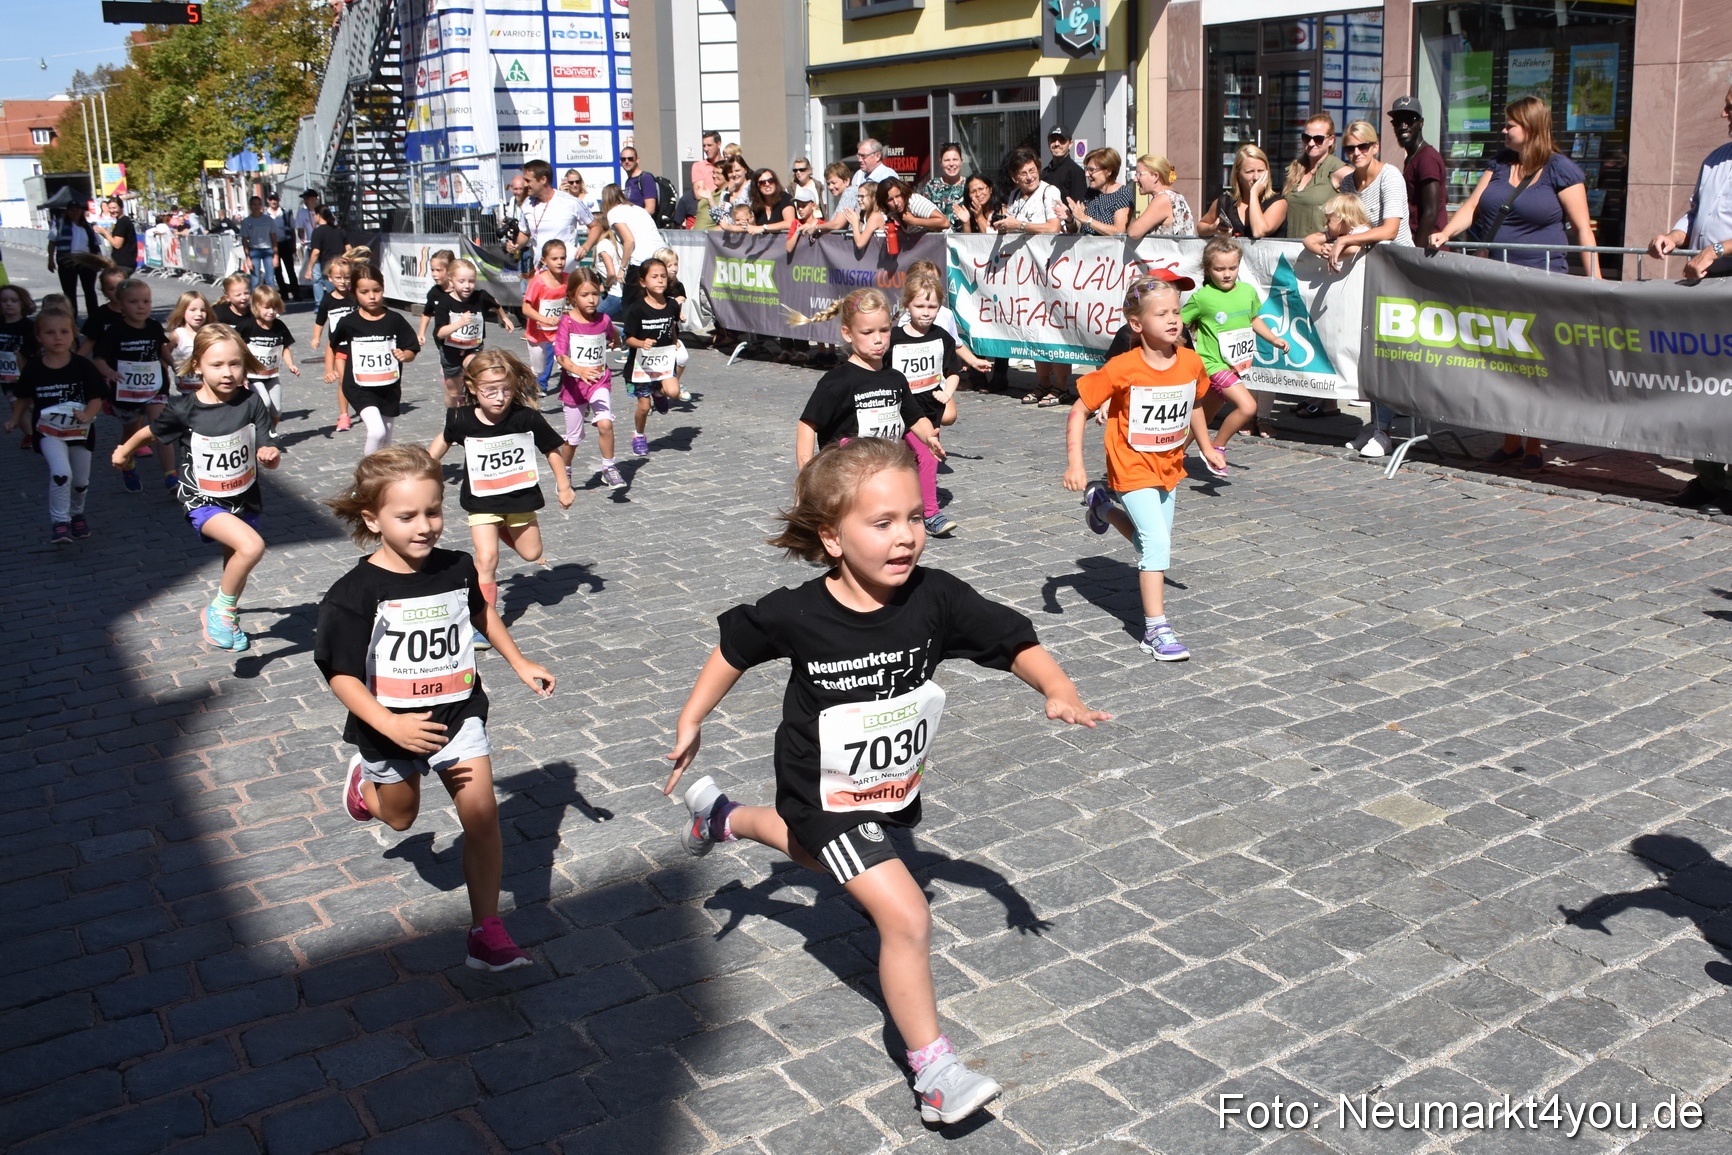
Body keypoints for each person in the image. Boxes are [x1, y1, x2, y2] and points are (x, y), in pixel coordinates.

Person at [663, 437, 1107, 1126]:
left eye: (915, 518)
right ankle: (936, 1072)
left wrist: (1056, 687)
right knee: (904, 913)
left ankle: (721, 816)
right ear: (832, 538)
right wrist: (692, 718)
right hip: (819, 787)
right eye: (883, 523)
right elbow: (735, 648)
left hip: (885, 785)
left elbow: (1010, 637)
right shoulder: (797, 612)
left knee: (816, 858)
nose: (906, 536)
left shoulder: (935, 597)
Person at [317, 445, 554, 972]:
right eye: (407, 516)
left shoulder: (457, 567)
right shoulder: (354, 593)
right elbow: (340, 673)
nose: (424, 526)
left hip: (458, 713)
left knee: (483, 816)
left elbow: (480, 614)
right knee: (401, 818)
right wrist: (388, 724)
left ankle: (486, 931)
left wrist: (519, 661)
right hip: (388, 726)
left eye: (433, 511)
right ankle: (364, 788)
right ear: (372, 520)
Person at [1428, 96, 1599, 469]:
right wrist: (1447, 233)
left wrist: (1596, 280)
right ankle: (1509, 441)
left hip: (1541, 280)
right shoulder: (1500, 163)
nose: (1503, 130)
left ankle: (1533, 443)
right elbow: (1472, 208)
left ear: (1531, 128)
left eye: (1510, 125)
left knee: (1533, 362)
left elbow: (1583, 228)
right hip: (1497, 279)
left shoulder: (1560, 169)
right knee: (1502, 361)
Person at [1065, 276, 1222, 660]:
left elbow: (1196, 404)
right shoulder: (1122, 367)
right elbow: (1079, 409)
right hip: (1130, 465)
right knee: (1156, 544)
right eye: (1162, 313)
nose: (1173, 319)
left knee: (1146, 541)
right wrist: (1075, 464)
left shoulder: (1191, 361)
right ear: (1136, 324)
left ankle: (1101, 507)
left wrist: (1206, 447)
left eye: (1176, 312)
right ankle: (1155, 630)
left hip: (1169, 466)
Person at [113, 324, 280, 649]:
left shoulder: (252, 402)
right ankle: (221, 610)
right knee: (252, 547)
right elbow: (151, 432)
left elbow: (267, 445)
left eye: (235, 363)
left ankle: (225, 617)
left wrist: (270, 456)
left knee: (236, 562)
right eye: (217, 364)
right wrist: (124, 450)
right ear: (197, 365)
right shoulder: (184, 409)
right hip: (201, 499)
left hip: (244, 496)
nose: (228, 372)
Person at [428, 349, 573, 625]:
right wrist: (423, 469)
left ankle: (503, 527)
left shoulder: (525, 417)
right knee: (486, 559)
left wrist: (563, 486)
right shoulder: (461, 418)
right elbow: (441, 443)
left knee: (532, 553)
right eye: (490, 390)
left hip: (520, 499)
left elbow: (552, 450)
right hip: (482, 501)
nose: (500, 397)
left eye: (506, 389)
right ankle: (485, 622)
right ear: (472, 387)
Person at [1301, 120, 1414, 455]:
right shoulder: (1349, 181)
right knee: (1367, 351)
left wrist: (1345, 241)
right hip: (1366, 274)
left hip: (1396, 273)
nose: (1356, 152)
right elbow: (1343, 223)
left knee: (1385, 353)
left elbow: (1389, 229)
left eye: (1363, 146)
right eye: (1350, 148)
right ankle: (1376, 424)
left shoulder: (1390, 176)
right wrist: (1321, 242)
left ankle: (1384, 430)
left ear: (1375, 147)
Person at [793, 288, 948, 527]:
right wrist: (807, 473)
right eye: (867, 332)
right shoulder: (837, 382)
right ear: (848, 333)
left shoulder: (895, 378)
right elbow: (807, 425)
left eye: (884, 330)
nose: (878, 339)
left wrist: (929, 436)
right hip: (849, 478)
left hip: (887, 472)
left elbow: (915, 418)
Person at [1649, 80, 1732, 511]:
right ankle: (1709, 477)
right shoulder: (1715, 159)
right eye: (1726, 106)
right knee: (1704, 383)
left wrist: (1717, 249)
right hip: (1707, 287)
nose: (1724, 114)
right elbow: (1696, 211)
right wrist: (1674, 235)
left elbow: (1718, 238)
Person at [1183, 237, 1289, 468]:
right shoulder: (1203, 297)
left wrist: (1273, 339)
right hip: (1212, 364)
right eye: (1219, 269)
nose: (1227, 274)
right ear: (1208, 269)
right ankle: (1217, 448)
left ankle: (1173, 456)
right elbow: (1179, 324)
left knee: (1205, 417)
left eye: (1232, 268)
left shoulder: (1247, 292)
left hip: (1235, 365)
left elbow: (1253, 319)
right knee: (1248, 406)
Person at [4, 307, 106, 544]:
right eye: (50, 333)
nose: (57, 337)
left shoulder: (82, 366)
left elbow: (96, 397)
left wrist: (87, 414)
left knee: (80, 482)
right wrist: (14, 418)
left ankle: (77, 514)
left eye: (64, 331)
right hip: (48, 432)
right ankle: (60, 521)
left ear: (73, 334)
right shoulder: (33, 368)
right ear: (39, 337)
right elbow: (23, 397)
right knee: (61, 473)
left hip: (80, 432)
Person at [888, 273, 963, 535]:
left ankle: (924, 513)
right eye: (920, 305)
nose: (926, 312)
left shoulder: (942, 337)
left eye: (932, 306)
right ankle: (923, 510)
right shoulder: (893, 338)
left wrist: (947, 393)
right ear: (907, 305)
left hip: (929, 411)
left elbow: (953, 372)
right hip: (898, 411)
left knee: (925, 458)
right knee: (910, 459)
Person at [996, 149, 1068, 406]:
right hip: (1025, 273)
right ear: (1014, 178)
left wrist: (1019, 225)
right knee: (1034, 326)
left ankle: (1061, 385)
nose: (1029, 177)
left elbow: (1053, 227)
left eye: (1032, 170)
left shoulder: (1049, 192)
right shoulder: (1015, 196)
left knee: (1054, 327)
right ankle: (1043, 382)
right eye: (1022, 173)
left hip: (1049, 269)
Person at [92, 277, 177, 492]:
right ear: (121, 305)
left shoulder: (154, 326)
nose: (141, 306)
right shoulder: (115, 331)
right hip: (127, 391)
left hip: (155, 387)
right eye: (134, 302)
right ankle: (127, 461)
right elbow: (99, 359)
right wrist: (109, 372)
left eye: (146, 301)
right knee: (131, 433)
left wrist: (175, 365)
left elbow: (161, 349)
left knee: (161, 428)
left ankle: (171, 475)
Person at [329, 262, 421, 455]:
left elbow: (412, 348)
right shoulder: (349, 322)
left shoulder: (395, 320)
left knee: (386, 440)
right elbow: (333, 345)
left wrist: (405, 355)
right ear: (354, 292)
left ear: (383, 289)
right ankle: (366, 471)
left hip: (388, 386)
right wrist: (330, 369)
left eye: (376, 290)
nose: (372, 296)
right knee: (377, 432)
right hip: (359, 386)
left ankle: (381, 472)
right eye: (364, 292)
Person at [552, 267, 625, 490]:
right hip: (574, 386)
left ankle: (609, 468)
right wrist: (579, 370)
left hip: (599, 380)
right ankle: (565, 469)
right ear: (572, 296)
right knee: (573, 438)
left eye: (595, 293)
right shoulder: (567, 322)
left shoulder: (603, 319)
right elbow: (561, 355)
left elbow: (613, 332)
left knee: (605, 422)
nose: (591, 300)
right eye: (584, 295)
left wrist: (616, 341)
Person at [621, 257, 686, 455]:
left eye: (663, 276)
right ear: (643, 282)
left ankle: (658, 392)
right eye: (654, 276)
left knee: (673, 392)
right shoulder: (637, 309)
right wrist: (641, 343)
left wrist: (674, 340)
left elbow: (672, 325)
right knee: (644, 406)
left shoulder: (672, 305)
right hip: (641, 366)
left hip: (664, 362)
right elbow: (628, 338)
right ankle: (639, 435)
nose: (660, 280)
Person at [433, 259, 516, 411]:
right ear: (451, 280)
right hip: (451, 352)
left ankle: (476, 407)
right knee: (453, 392)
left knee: (477, 374)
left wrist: (504, 318)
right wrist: (459, 323)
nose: (467, 286)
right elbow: (439, 333)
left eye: (471, 281)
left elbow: (495, 304)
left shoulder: (480, 296)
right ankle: (452, 415)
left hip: (473, 348)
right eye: (461, 281)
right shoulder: (445, 302)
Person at [1279, 115, 1350, 252]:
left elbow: (1358, 211)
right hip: (1291, 251)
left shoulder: (1339, 170)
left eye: (1318, 139)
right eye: (1306, 138)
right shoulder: (1294, 169)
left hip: (1320, 252)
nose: (1311, 143)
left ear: (1331, 140)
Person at [236, 286, 299, 430]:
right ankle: (256, 430)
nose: (271, 311)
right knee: (265, 402)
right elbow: (235, 346)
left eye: (274, 308)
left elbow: (285, 347)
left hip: (271, 375)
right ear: (256, 307)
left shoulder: (279, 326)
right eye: (266, 308)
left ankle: (270, 433)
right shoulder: (247, 326)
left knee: (277, 410)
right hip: (253, 375)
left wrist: (291, 365)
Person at [516, 160, 596, 269]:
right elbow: (525, 233)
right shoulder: (527, 203)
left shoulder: (570, 202)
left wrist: (586, 247)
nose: (525, 185)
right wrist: (516, 245)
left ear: (543, 179)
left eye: (528, 181)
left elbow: (596, 226)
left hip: (568, 272)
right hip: (541, 271)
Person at [314, 249, 362, 431]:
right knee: (343, 381)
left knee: (360, 380)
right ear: (330, 278)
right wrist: (316, 338)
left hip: (358, 346)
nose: (343, 282)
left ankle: (366, 407)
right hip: (339, 348)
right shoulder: (328, 300)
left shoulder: (355, 297)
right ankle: (344, 415)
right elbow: (320, 321)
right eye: (338, 278)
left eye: (347, 278)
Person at [1388, 96, 1445, 244]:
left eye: (1409, 120)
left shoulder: (1427, 159)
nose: (1403, 126)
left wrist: (1416, 252)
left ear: (1421, 122)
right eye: (1397, 121)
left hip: (1427, 248)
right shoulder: (1413, 157)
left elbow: (1431, 212)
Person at [1198, 145, 1284, 239]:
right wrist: (1213, 229)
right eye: (1250, 171)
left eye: (1260, 171)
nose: (1256, 177)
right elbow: (1201, 226)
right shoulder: (1225, 202)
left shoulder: (1278, 203)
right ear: (1238, 174)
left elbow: (1258, 232)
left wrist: (1254, 193)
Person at [602, 183, 667, 306]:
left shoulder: (614, 213)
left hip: (641, 260)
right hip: (662, 254)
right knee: (656, 300)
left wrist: (622, 268)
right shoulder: (638, 209)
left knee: (629, 303)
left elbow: (629, 240)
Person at [521, 239, 570, 397]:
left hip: (558, 331)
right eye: (554, 259)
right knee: (539, 370)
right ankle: (524, 383)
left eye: (562, 258)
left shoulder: (567, 278)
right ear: (544, 260)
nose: (560, 262)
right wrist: (545, 319)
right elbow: (525, 308)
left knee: (566, 360)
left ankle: (571, 393)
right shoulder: (538, 282)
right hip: (538, 332)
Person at [47, 203, 103, 321]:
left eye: (77, 210)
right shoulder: (60, 224)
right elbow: (52, 242)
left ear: (81, 211)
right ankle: (72, 319)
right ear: (67, 211)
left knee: (90, 291)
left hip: (86, 261)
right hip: (67, 261)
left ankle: (94, 319)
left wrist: (98, 261)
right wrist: (50, 259)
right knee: (69, 293)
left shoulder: (87, 226)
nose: (75, 212)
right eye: (71, 210)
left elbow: (95, 244)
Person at [0, 285, 39, 443]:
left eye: (13, 300)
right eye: (4, 301)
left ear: (22, 303)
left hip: (27, 373)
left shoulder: (29, 327)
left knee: (32, 405)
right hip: (6, 376)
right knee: (15, 405)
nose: (9, 304)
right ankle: (29, 434)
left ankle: (43, 430)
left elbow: (37, 349)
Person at [1125, 155, 1196, 240]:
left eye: (1139, 174)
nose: (1135, 179)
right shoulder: (1174, 196)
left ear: (1155, 176)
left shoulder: (1163, 199)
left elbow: (1133, 232)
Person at [1069, 148, 1134, 236]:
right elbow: (1078, 225)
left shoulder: (1122, 194)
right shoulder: (1091, 192)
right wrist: (1069, 220)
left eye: (1091, 170)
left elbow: (1119, 231)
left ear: (1108, 171)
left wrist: (1087, 219)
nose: (1086, 174)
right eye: (1086, 169)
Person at [301, 205, 346, 309]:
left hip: (327, 266)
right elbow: (348, 248)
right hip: (341, 264)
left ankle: (326, 307)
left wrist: (309, 269)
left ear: (318, 215)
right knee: (340, 287)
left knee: (332, 290)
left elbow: (316, 252)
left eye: (314, 215)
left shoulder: (318, 232)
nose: (313, 217)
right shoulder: (338, 230)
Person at [166, 290, 208, 394]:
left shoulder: (210, 332)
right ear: (182, 311)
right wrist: (172, 366)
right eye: (193, 310)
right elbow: (164, 354)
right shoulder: (177, 335)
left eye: (203, 310)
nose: (199, 314)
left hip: (207, 385)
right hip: (187, 385)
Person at [237, 197, 281, 291]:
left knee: (270, 279)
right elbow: (244, 241)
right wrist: (248, 258)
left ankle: (271, 298)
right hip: (254, 250)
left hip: (268, 250)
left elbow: (274, 238)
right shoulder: (246, 221)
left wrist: (276, 255)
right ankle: (254, 299)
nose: (256, 207)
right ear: (250, 206)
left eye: (258, 204)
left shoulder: (268, 220)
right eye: (254, 204)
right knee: (255, 280)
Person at [880, 179, 948, 238]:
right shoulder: (893, 210)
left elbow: (945, 223)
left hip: (945, 243)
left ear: (903, 192)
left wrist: (913, 221)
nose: (896, 203)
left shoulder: (914, 202)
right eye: (890, 200)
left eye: (898, 196)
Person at [415, 249, 455, 346]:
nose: (434, 274)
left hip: (463, 340)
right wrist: (421, 333)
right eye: (432, 270)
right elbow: (426, 314)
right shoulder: (434, 293)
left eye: (438, 270)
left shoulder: (461, 291)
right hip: (442, 341)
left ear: (450, 270)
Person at [267, 195, 301, 300]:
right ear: (268, 200)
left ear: (278, 200)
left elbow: (292, 230)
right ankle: (284, 294)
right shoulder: (266, 215)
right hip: (273, 245)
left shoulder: (286, 213)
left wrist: (293, 244)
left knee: (290, 270)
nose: (273, 201)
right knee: (277, 272)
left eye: (275, 199)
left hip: (285, 243)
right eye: (271, 199)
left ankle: (296, 294)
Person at [1043, 127, 1089, 205]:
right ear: (1048, 143)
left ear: (1070, 144)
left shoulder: (1076, 172)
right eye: (1053, 140)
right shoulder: (1045, 172)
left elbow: (1079, 206)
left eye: (1062, 140)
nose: (1057, 144)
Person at [923, 143, 967, 220]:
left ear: (961, 161)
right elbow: (924, 214)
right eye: (947, 160)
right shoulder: (931, 186)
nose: (951, 164)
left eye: (955, 159)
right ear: (941, 162)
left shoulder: (969, 185)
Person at [95, 197, 139, 274]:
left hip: (123, 264)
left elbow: (117, 244)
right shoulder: (121, 221)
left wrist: (105, 233)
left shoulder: (122, 222)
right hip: (124, 262)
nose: (112, 211)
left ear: (121, 207)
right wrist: (103, 233)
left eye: (114, 208)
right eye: (110, 208)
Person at [619, 146, 658, 217]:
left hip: (643, 222)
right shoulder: (628, 181)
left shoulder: (646, 178)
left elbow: (650, 209)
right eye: (623, 159)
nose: (626, 161)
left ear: (637, 160)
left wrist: (632, 218)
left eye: (630, 159)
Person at [691, 130, 723, 200]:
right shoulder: (698, 166)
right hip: (706, 205)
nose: (706, 149)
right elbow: (699, 195)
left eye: (709, 145)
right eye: (704, 146)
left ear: (718, 144)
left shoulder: (727, 164)